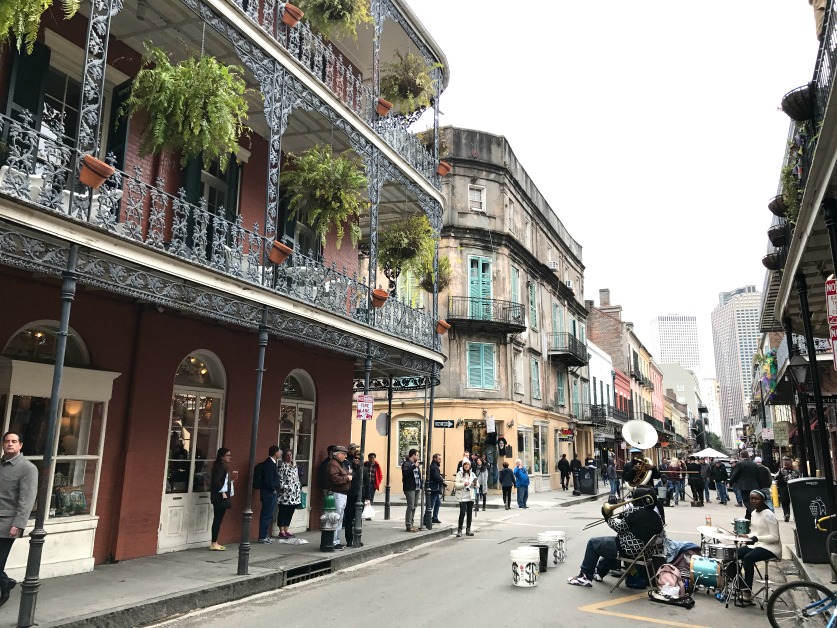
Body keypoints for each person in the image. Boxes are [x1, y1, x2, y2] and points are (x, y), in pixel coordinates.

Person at [568, 486, 664, 587]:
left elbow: (619, 528)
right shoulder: (656, 516)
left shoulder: (634, 511)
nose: (632, 501)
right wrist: (626, 518)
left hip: (628, 550)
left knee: (593, 543)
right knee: (609, 543)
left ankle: (585, 577)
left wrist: (607, 518)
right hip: (644, 552)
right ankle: (599, 573)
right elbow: (643, 526)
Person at [0, 432, 37, 606]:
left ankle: (4, 586)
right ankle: (6, 581)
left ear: (20, 445)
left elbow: (27, 499)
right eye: (7, 441)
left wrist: (19, 524)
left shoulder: (28, 468)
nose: (10, 444)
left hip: (7, 523)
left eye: (14, 442)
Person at [727, 489, 781, 602]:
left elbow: (775, 537)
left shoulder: (769, 514)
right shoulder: (753, 513)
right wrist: (746, 536)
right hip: (758, 544)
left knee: (748, 558)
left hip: (771, 547)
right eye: (752, 498)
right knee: (732, 555)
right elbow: (756, 533)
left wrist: (756, 538)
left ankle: (747, 592)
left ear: (763, 500)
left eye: (756, 498)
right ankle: (740, 586)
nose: (753, 501)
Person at [325, 445, 352, 550]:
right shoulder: (333, 464)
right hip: (337, 493)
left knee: (339, 518)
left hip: (341, 493)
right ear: (338, 454)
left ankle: (336, 540)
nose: (345, 456)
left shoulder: (338, 464)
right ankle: (333, 541)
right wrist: (347, 478)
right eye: (343, 454)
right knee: (336, 517)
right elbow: (335, 479)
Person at [210, 447, 234, 551]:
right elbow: (217, 481)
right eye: (228, 455)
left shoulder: (220, 466)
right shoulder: (221, 467)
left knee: (218, 519)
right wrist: (222, 492)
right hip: (219, 497)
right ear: (222, 456)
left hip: (218, 496)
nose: (230, 457)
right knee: (217, 519)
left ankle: (214, 541)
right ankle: (214, 542)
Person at [344, 451, 369, 547]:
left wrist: (368, 498)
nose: (357, 459)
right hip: (350, 495)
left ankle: (357, 538)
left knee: (358, 519)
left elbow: (367, 484)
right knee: (349, 519)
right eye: (355, 458)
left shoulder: (364, 470)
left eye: (359, 458)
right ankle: (349, 540)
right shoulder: (349, 468)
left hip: (360, 496)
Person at [258, 445, 281, 543]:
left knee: (269, 514)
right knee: (266, 514)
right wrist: (273, 489)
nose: (280, 454)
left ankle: (265, 535)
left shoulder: (272, 463)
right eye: (279, 452)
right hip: (268, 493)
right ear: (276, 453)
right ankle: (262, 536)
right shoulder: (269, 464)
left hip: (270, 492)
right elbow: (268, 479)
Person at [276, 449, 301, 539]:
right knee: (283, 512)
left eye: (290, 455)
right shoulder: (282, 466)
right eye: (287, 455)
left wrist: (298, 487)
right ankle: (281, 530)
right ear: (284, 457)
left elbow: (297, 478)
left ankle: (286, 529)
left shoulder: (294, 466)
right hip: (285, 495)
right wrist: (287, 487)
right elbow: (279, 480)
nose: (289, 456)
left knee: (290, 512)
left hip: (294, 495)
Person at [454, 459, 477, 537]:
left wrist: (475, 484)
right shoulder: (459, 474)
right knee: (462, 513)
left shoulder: (472, 474)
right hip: (462, 497)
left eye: (468, 465)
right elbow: (456, 485)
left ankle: (468, 529)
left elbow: (477, 485)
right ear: (463, 466)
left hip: (470, 496)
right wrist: (464, 484)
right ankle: (459, 530)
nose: (467, 466)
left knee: (469, 513)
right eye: (465, 464)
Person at [401, 449, 422, 532]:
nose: (418, 457)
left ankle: (411, 523)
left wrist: (421, 484)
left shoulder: (415, 464)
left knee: (414, 506)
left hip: (416, 487)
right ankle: (408, 525)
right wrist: (414, 466)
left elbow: (418, 476)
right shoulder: (406, 463)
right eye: (417, 455)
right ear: (413, 455)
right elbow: (405, 473)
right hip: (409, 488)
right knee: (410, 506)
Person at [775, 456, 801, 522]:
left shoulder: (782, 471)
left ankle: (786, 514)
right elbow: (799, 478)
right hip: (794, 488)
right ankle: (796, 516)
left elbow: (776, 477)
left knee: (785, 503)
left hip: (784, 488)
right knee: (794, 503)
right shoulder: (796, 471)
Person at [428, 453, 445, 524]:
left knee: (438, 502)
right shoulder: (435, 467)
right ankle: (426, 518)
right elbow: (436, 477)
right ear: (435, 459)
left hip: (435, 488)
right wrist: (441, 479)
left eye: (441, 459)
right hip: (434, 488)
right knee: (431, 504)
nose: (440, 460)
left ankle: (434, 517)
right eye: (439, 459)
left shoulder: (434, 466)